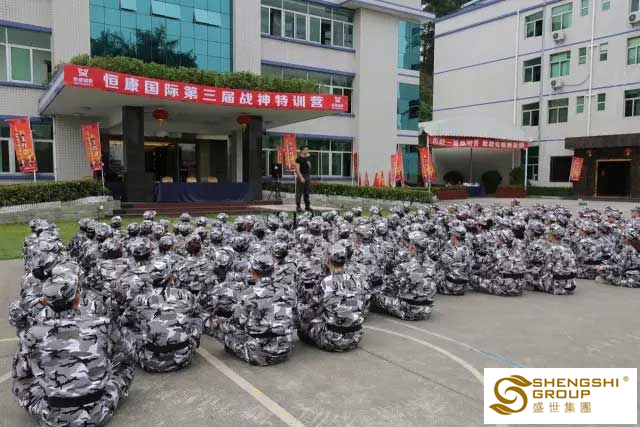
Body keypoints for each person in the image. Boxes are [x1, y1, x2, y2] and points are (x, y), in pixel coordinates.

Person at [12, 263, 135, 427]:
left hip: (52, 415)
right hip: (99, 411)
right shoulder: (102, 324)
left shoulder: (32, 334)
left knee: (21, 381)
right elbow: (129, 354)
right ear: (77, 300)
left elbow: (20, 374)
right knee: (125, 364)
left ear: (46, 302)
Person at [224, 254, 296, 366]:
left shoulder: (248, 295)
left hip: (258, 355)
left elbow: (239, 321)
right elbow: (294, 316)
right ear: (273, 270)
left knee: (223, 327)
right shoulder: (289, 290)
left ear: (253, 271)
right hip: (285, 350)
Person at [298, 244, 368, 351]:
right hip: (355, 337)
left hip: (333, 339)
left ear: (328, 260)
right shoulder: (358, 280)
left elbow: (312, 306)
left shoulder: (326, 282)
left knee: (303, 321)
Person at [294, 146, 312, 213]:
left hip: (307, 175)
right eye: (306, 150)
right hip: (301, 175)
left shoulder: (307, 159)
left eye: (308, 150)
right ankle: (298, 206)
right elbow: (297, 169)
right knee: (299, 192)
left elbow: (310, 167)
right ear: (302, 151)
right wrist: (301, 177)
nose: (307, 151)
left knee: (306, 192)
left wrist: (308, 160)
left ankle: (307, 206)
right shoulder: (298, 159)